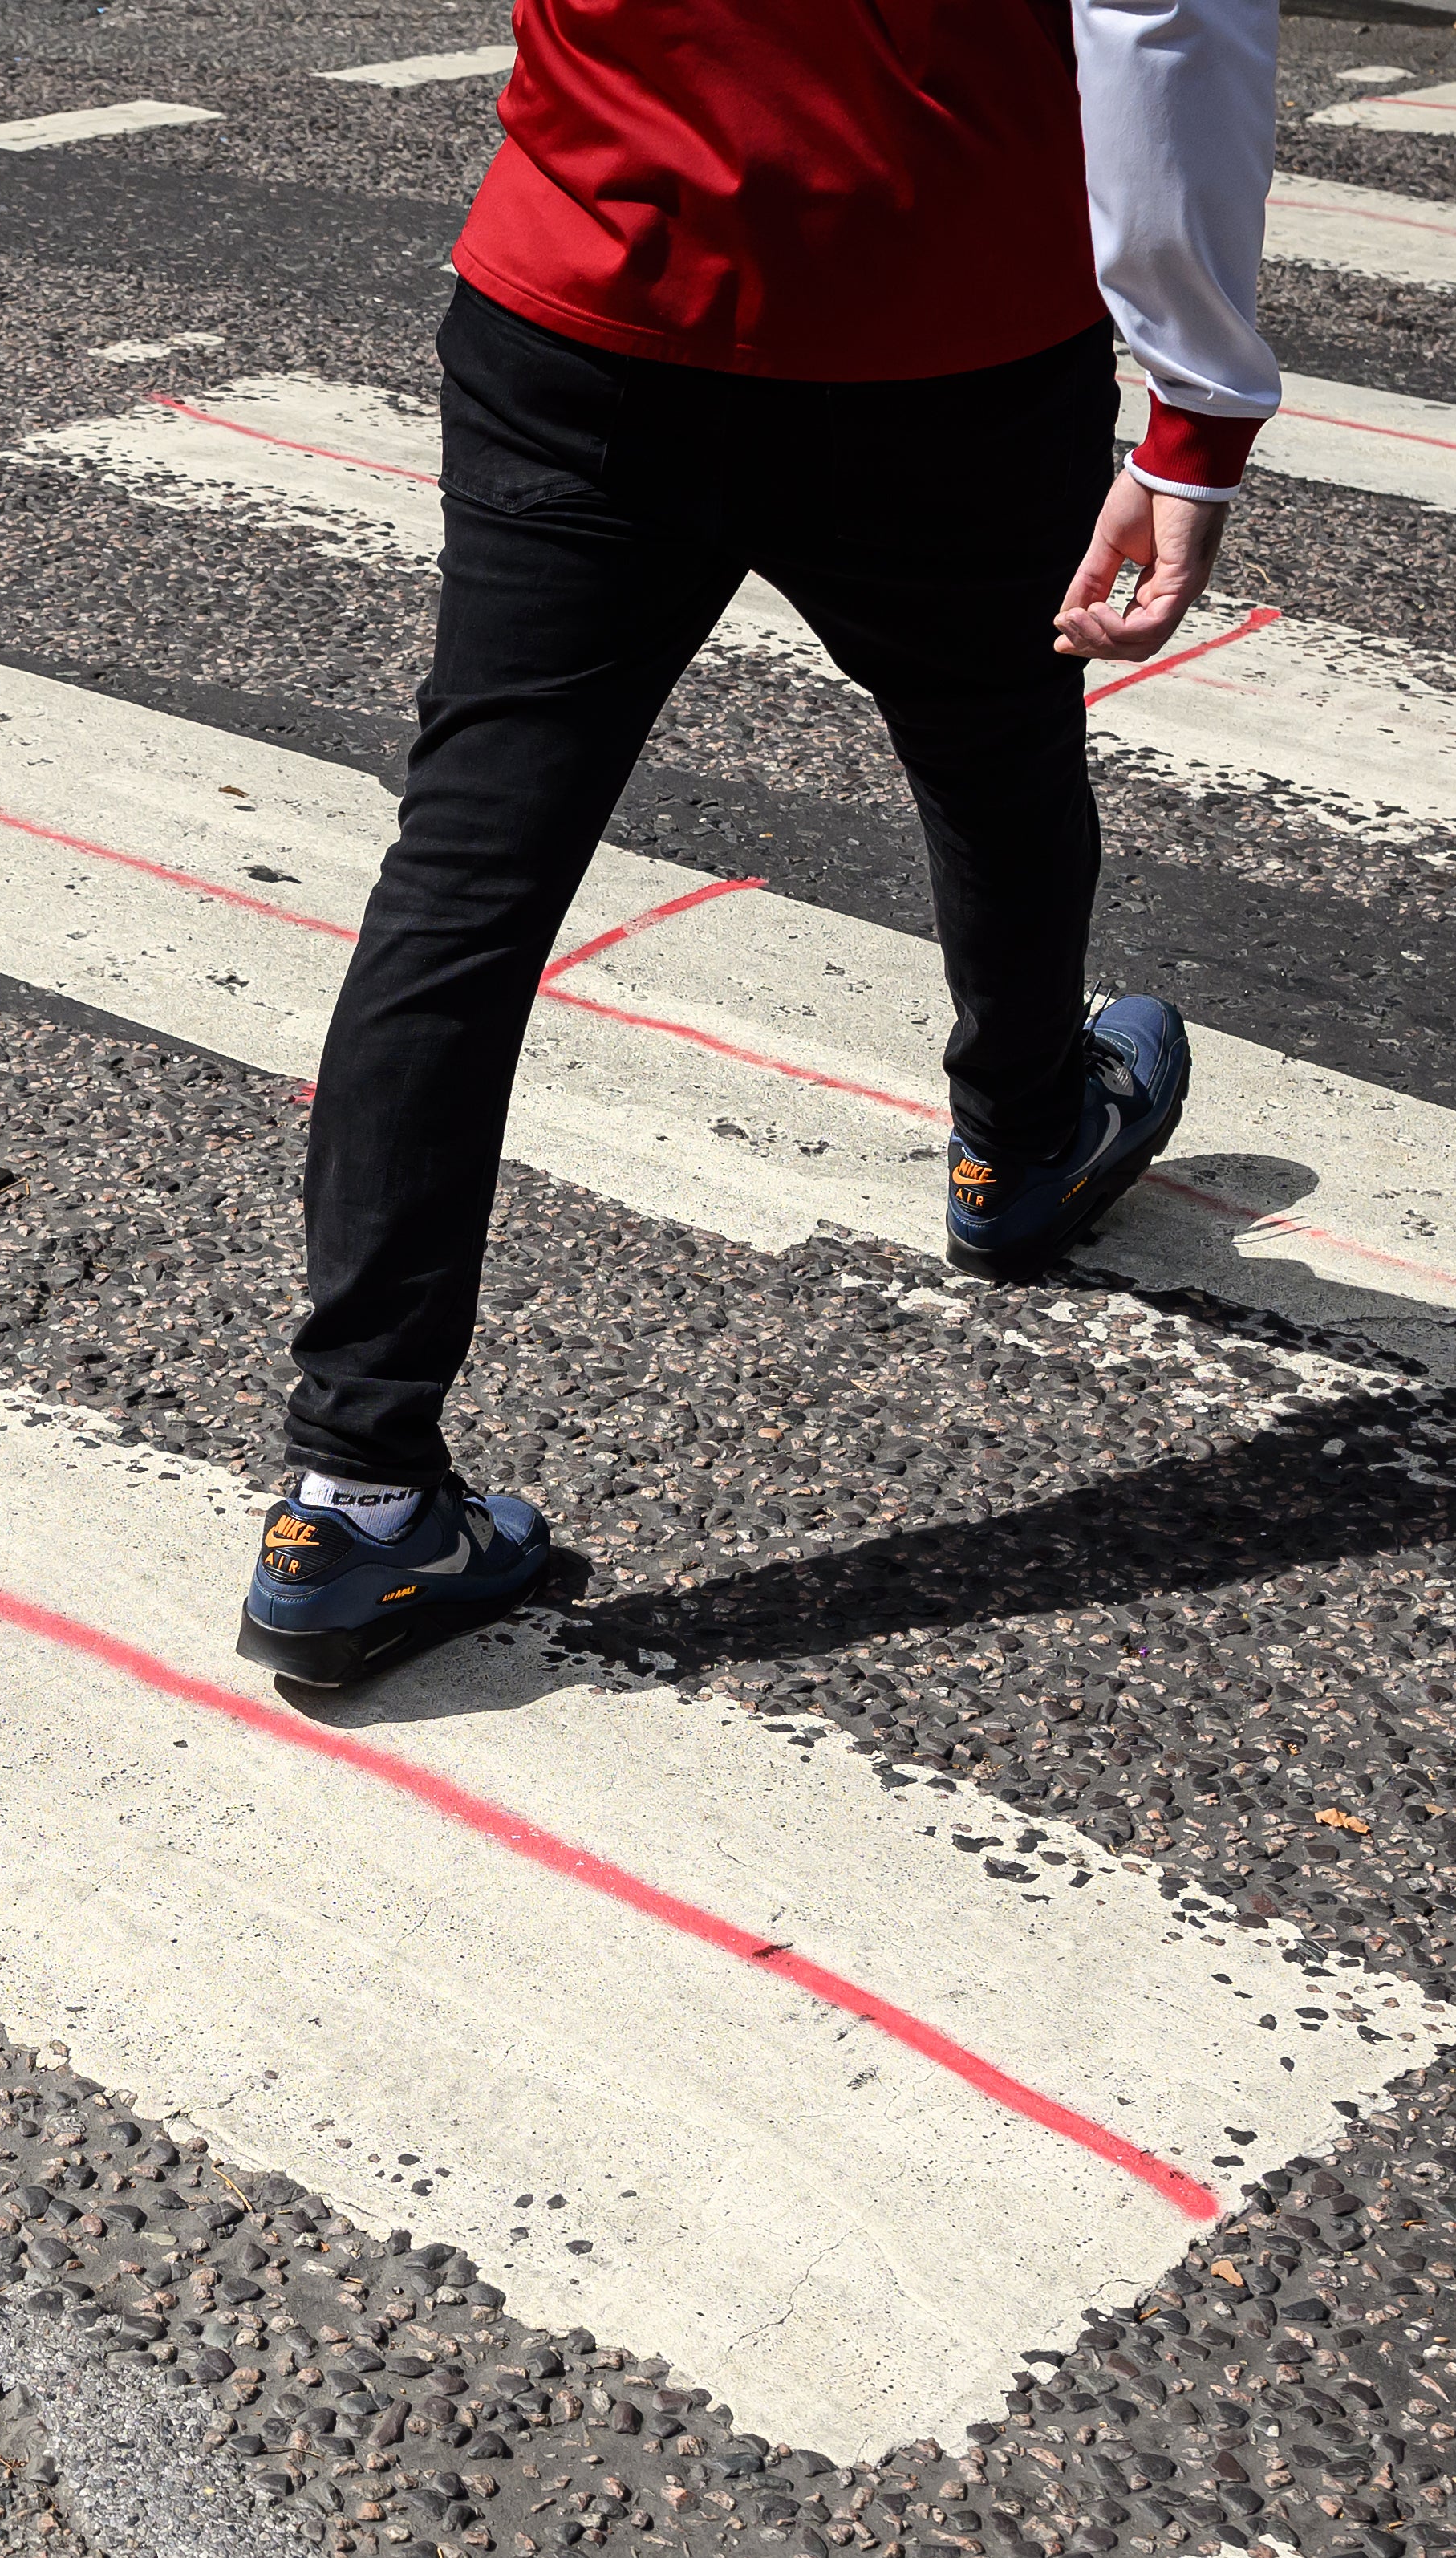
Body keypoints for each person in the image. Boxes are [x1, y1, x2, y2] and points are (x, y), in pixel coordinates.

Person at [235, 0, 1283, 1690]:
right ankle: (1019, 1141)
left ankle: (352, 1484)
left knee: (468, 872)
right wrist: (1195, 407)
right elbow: (1165, 20)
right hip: (939, 310)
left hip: (587, 285)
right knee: (993, 745)